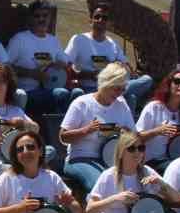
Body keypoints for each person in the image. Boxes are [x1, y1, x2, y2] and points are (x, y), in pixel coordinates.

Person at [59, 64, 137, 204]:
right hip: (81, 158)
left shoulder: (121, 104)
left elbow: (134, 135)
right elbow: (63, 137)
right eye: (116, 88)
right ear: (105, 83)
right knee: (100, 183)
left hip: (111, 159)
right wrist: (86, 130)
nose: (119, 93)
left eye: (123, 89)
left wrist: (124, 131)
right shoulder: (82, 103)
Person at [66, 2, 153, 112]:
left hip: (111, 87)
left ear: (109, 23)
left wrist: (119, 67)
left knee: (147, 80)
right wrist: (85, 74)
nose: (100, 20)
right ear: (90, 20)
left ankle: (127, 127)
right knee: (130, 97)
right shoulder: (79, 40)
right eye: (97, 17)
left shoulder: (112, 44)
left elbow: (127, 67)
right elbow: (66, 65)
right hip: (89, 87)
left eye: (104, 18)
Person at [6, 0, 74, 115]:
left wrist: (59, 64)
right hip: (26, 91)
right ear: (30, 18)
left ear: (50, 18)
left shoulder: (53, 40)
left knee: (75, 94)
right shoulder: (20, 39)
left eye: (45, 16)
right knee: (61, 94)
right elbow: (5, 66)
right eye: (37, 16)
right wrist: (31, 73)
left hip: (49, 89)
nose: (41, 19)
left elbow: (65, 61)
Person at [138, 69, 180, 170]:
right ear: (169, 84)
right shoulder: (154, 107)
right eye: (177, 81)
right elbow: (136, 138)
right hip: (154, 162)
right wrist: (158, 131)